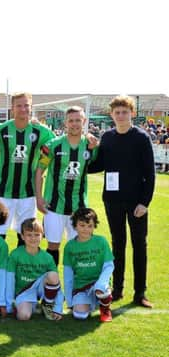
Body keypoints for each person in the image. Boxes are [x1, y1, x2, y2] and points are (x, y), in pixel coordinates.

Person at [88, 95, 156, 308]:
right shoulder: (107, 137)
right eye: (117, 112)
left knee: (139, 246)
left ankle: (140, 293)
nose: (120, 116)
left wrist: (145, 203)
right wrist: (87, 153)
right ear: (112, 115)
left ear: (132, 114)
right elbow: (98, 165)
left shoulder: (141, 138)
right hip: (113, 200)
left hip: (136, 202)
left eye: (124, 112)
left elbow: (150, 174)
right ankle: (117, 290)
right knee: (118, 244)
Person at [35, 106, 97, 265]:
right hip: (53, 206)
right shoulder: (53, 145)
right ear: (65, 123)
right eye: (71, 120)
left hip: (79, 208)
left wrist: (94, 143)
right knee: (53, 246)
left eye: (78, 120)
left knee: (76, 247)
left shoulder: (90, 146)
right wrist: (39, 198)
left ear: (84, 122)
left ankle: (76, 286)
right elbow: (39, 171)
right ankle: (52, 284)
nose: (74, 124)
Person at [0, 93, 55, 245]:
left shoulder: (41, 131)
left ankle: (20, 266)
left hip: (28, 193)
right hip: (3, 192)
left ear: (31, 107)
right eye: (19, 105)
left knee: (26, 233)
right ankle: (0, 266)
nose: (23, 109)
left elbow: (59, 144)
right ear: (12, 108)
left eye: (26, 105)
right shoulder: (1, 130)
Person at [6, 218, 63, 321]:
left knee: (52, 275)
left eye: (37, 235)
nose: (33, 238)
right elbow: (10, 280)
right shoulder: (15, 254)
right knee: (23, 316)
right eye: (29, 235)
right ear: (22, 236)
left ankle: (48, 304)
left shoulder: (47, 257)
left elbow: (56, 283)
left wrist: (58, 308)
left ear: (42, 236)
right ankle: (31, 305)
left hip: (40, 289)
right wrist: (8, 304)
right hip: (24, 292)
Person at [63, 208, 114, 322]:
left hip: (99, 283)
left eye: (89, 226)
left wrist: (102, 282)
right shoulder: (70, 246)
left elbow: (109, 265)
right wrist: (70, 301)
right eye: (82, 225)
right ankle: (93, 302)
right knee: (79, 315)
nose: (86, 229)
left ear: (94, 227)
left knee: (100, 289)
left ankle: (105, 308)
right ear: (75, 226)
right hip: (81, 286)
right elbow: (68, 275)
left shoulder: (101, 241)